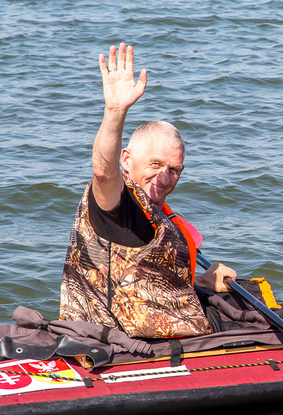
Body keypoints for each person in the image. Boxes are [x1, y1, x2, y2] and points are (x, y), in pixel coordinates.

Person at [60, 43, 236, 339]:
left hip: (162, 324)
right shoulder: (117, 204)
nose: (164, 177)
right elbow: (103, 171)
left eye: (174, 169)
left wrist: (199, 283)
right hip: (125, 346)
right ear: (127, 160)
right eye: (155, 164)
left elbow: (143, 279)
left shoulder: (153, 210)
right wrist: (115, 111)